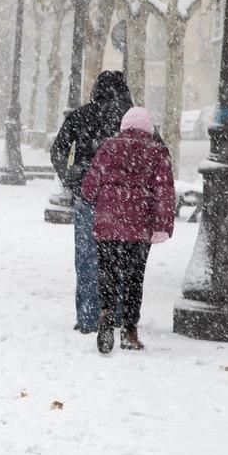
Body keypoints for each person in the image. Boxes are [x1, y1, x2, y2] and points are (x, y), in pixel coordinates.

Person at [81, 107, 174, 353]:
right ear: (149, 129)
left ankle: (106, 312)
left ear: (124, 126)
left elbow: (90, 184)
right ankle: (130, 332)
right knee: (134, 278)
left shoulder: (108, 146)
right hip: (139, 227)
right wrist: (162, 225)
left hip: (108, 222)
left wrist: (92, 195)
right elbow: (164, 191)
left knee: (107, 272)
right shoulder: (156, 151)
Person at [50, 70, 133, 333]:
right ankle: (116, 314)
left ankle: (88, 316)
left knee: (87, 258)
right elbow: (156, 153)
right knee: (120, 259)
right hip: (124, 201)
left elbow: (58, 150)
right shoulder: (131, 121)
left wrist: (72, 178)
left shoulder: (81, 115)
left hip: (90, 198)